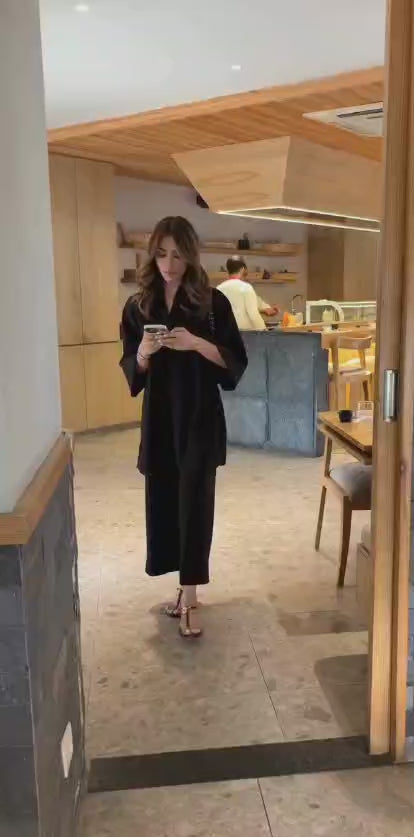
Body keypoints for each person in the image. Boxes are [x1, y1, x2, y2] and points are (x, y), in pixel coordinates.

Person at [120, 216, 247, 638]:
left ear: (190, 255)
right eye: (161, 254)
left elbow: (234, 362)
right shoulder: (138, 306)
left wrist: (196, 343)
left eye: (177, 255)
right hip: (159, 419)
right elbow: (133, 371)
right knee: (165, 501)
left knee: (195, 503)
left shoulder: (212, 303)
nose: (169, 264)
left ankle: (190, 597)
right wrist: (143, 351)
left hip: (198, 417)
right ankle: (180, 586)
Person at [217, 258, 279, 330]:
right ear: (242, 269)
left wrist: (266, 308)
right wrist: (264, 331)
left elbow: (253, 301)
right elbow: (253, 314)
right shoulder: (246, 288)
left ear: (228, 271)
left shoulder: (219, 288)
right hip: (244, 333)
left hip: (225, 332)